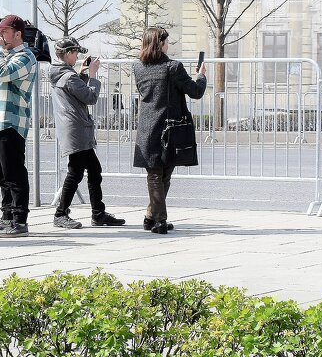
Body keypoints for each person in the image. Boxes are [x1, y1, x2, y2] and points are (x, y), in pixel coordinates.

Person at [131, 27, 206, 234]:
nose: (168, 45)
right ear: (160, 44)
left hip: (148, 126)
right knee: (161, 174)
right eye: (166, 41)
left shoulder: (138, 67)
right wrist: (201, 76)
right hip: (169, 128)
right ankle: (160, 221)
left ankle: (151, 216)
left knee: (158, 173)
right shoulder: (173, 67)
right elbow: (196, 92)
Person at [48, 36, 125, 229]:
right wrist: (92, 75)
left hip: (73, 128)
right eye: (74, 53)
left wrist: (82, 73)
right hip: (77, 128)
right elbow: (89, 97)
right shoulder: (69, 76)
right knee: (76, 172)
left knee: (93, 169)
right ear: (67, 54)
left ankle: (98, 213)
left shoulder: (60, 74)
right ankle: (61, 213)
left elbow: (76, 91)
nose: (76, 57)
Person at [0, 14, 38, 238]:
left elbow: (2, 74)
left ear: (18, 34)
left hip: (10, 120)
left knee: (14, 173)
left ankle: (20, 220)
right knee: (0, 174)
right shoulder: (3, 55)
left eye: (3, 32)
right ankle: (6, 216)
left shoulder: (25, 57)